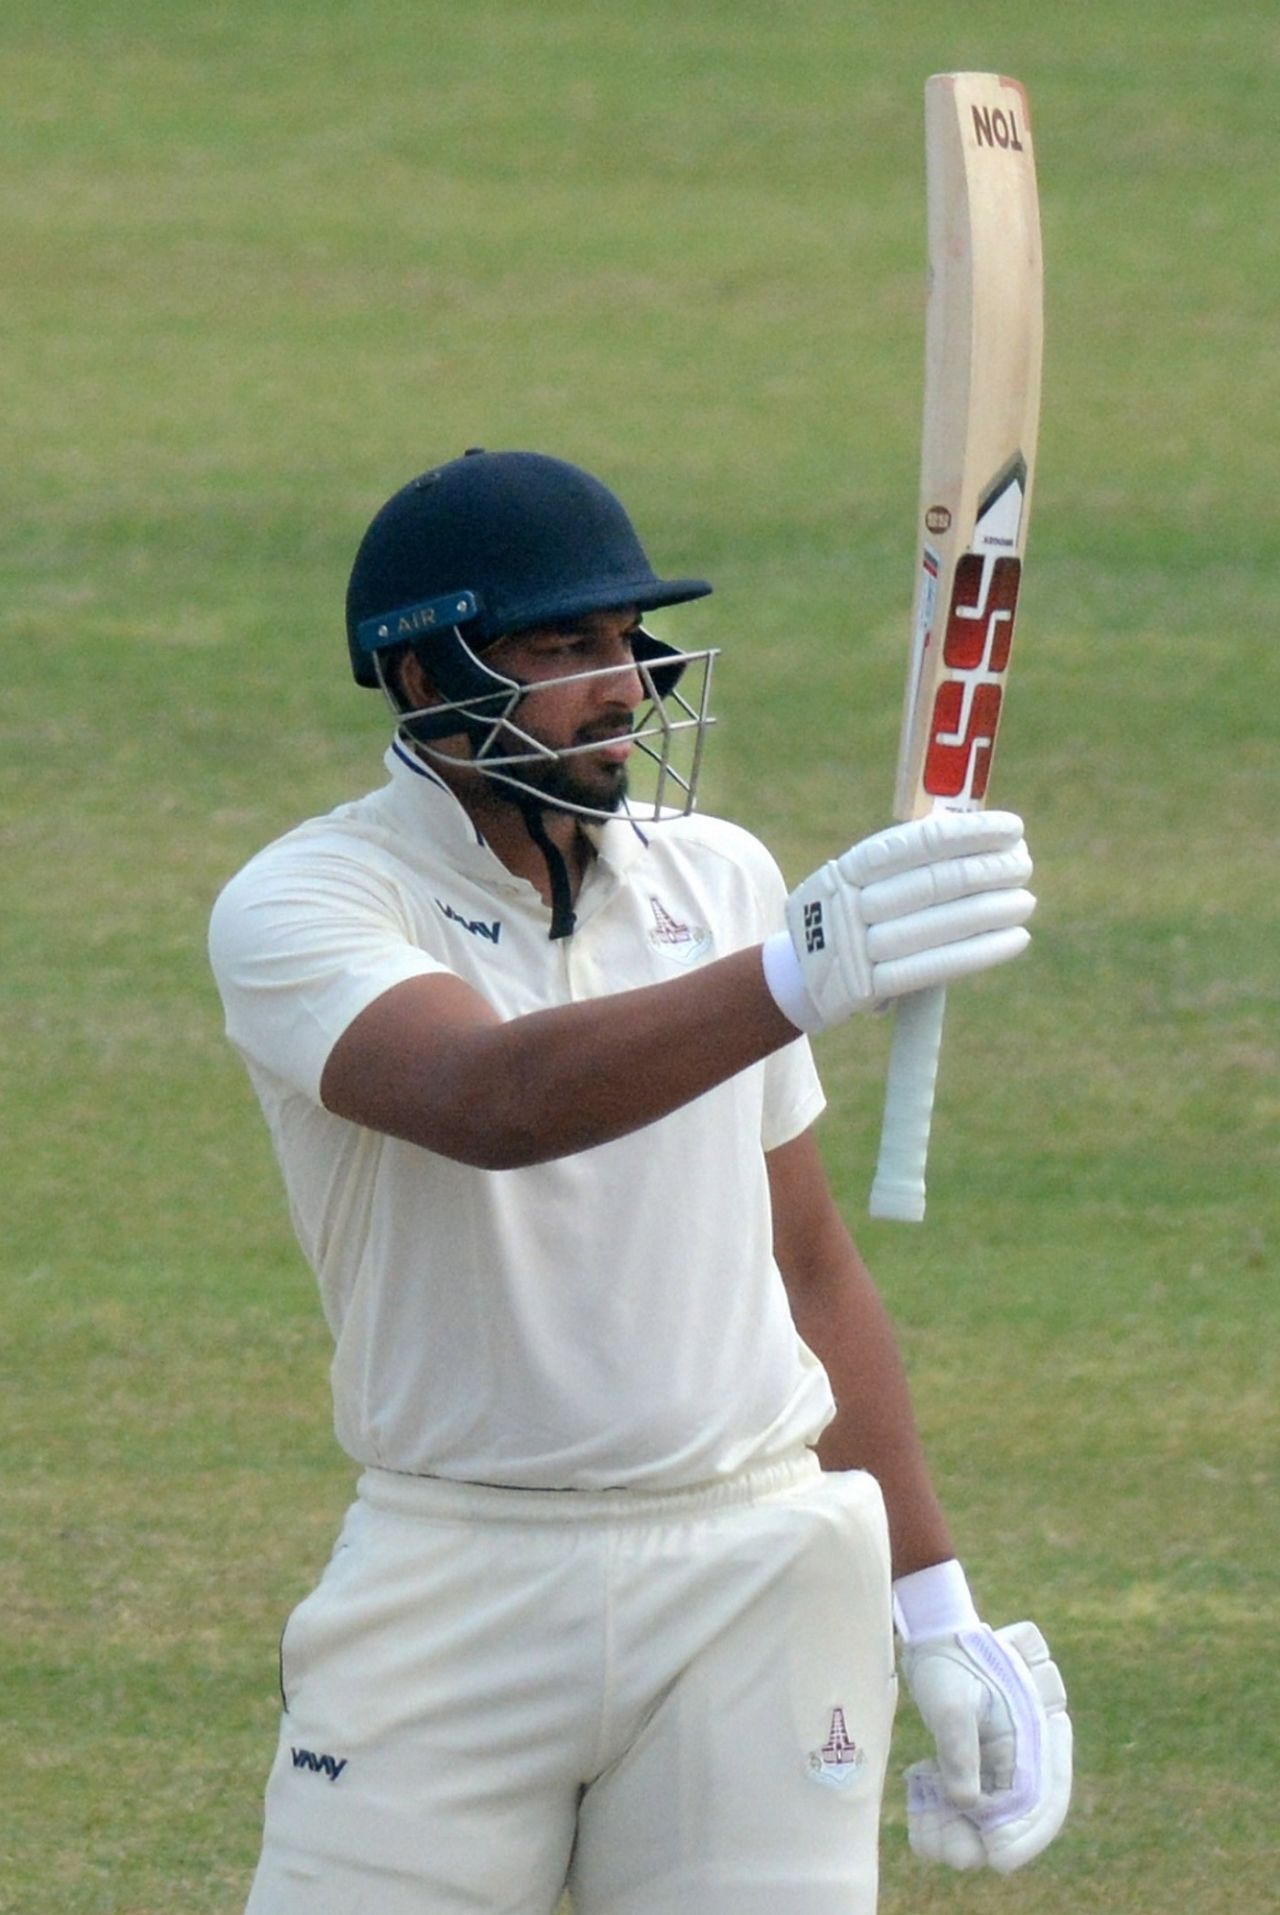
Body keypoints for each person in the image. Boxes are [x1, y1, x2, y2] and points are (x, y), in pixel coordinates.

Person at [209, 449, 1071, 1915]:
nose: (622, 686)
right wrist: (799, 974)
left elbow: (805, 1268)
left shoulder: (725, 882)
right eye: (565, 649)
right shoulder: (308, 902)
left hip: (757, 1573)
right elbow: (493, 1101)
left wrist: (937, 1605)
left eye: (627, 645)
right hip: (455, 1576)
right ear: (424, 676)